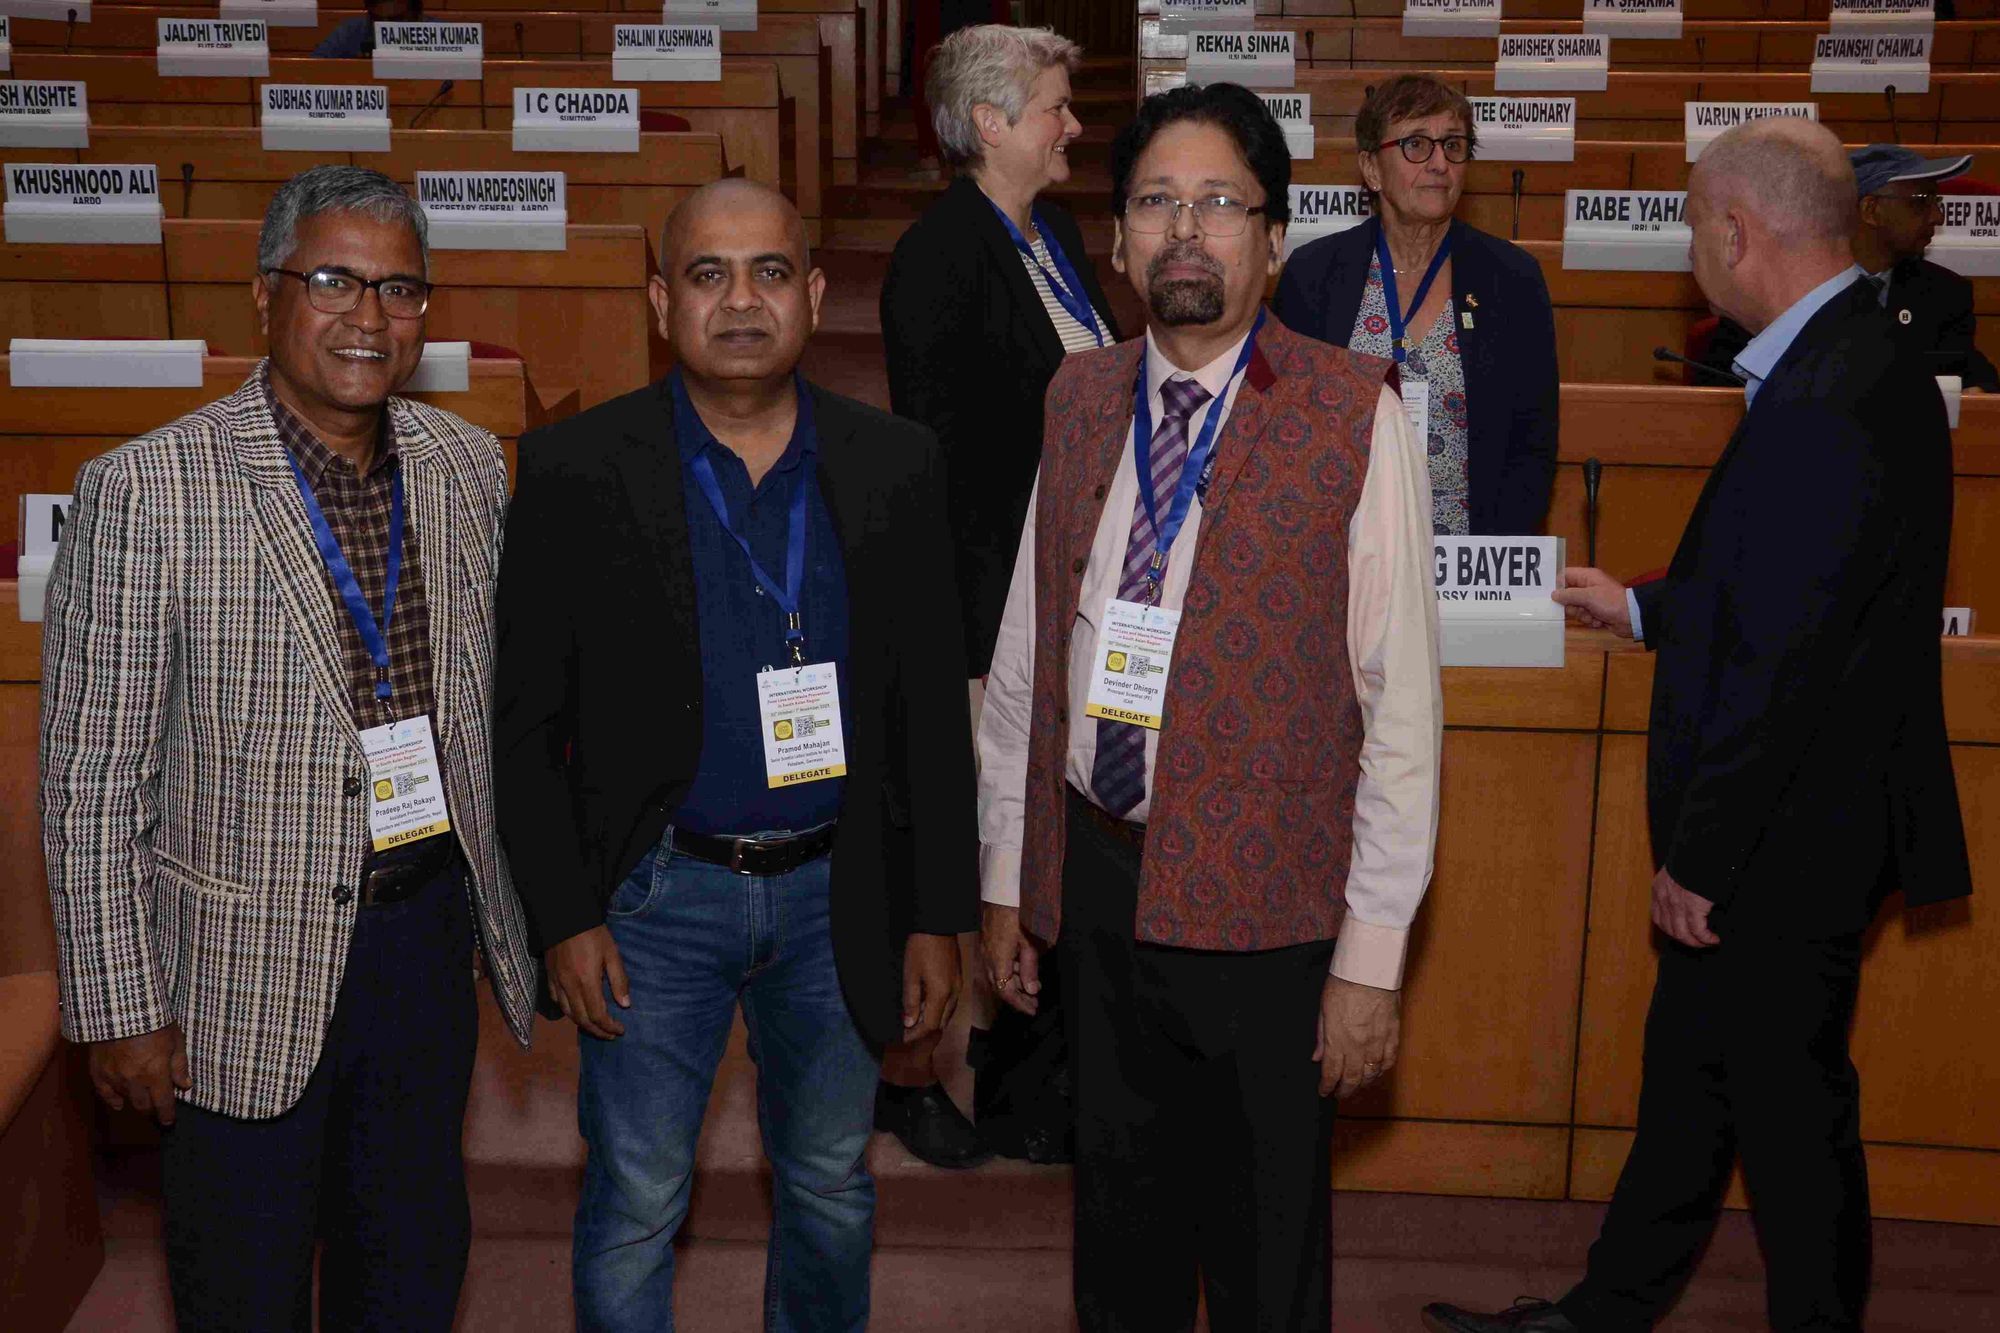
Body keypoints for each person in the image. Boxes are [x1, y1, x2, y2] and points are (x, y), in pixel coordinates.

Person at [1422, 117, 1971, 1333]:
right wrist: (1636, 604)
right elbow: (1781, 579)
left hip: (1784, 841)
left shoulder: (1835, 383)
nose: (1690, 253)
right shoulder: (1844, 355)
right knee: (1694, 1094)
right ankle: (1605, 1309)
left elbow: (1789, 655)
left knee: (1787, 1123)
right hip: (1792, 823)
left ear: (1734, 229)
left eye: (1689, 224)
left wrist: (1701, 860)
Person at [39, 164, 540, 1332]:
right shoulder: (147, 489)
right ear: (265, 295)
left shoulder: (466, 468)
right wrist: (120, 1007)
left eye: (400, 288)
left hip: (423, 939)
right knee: (242, 1288)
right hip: (235, 970)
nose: (369, 317)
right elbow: (90, 782)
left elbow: (491, 709)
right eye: (334, 280)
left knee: (409, 1267)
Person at [978, 82, 1442, 1331]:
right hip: (1107, 891)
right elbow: (1029, 647)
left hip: (1274, 917)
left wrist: (1369, 958)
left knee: (1261, 1262)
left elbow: (1398, 708)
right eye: (1154, 203)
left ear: (1274, 239)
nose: (1184, 229)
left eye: (1219, 203)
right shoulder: (1078, 399)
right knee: (1118, 1250)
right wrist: (1010, 874)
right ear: (1120, 239)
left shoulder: (1357, 413)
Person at [493, 178, 976, 1333]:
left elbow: (924, 714)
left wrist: (935, 911)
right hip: (655, 897)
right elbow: (523, 723)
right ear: (663, 301)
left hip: (837, 893)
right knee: (637, 1197)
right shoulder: (572, 469)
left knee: (828, 1187)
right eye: (707, 275)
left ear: (811, 295)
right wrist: (563, 914)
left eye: (768, 272)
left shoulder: (895, 465)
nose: (741, 301)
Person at [878, 21, 1122, 1169]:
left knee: (1051, 847)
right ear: (988, 123)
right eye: (1054, 108)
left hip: (1078, 586)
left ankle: (1035, 1087)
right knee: (986, 847)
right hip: (993, 599)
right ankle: (910, 1070)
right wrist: (979, 630)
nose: (1073, 125)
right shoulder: (938, 254)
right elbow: (938, 464)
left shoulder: (1055, 232)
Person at [1274, 73, 1559, 536]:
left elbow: (1532, 447)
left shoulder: (1513, 279)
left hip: (1468, 564)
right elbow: (1287, 433)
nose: (1439, 163)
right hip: (1343, 552)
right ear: (1370, 169)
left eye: (1453, 145)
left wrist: (1485, 569)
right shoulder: (1314, 275)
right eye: (1416, 145)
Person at [1699, 144, 1997, 392]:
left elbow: (1973, 377)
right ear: (1870, 210)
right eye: (1921, 202)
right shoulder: (1769, 290)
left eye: (1937, 201)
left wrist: (1978, 391)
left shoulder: (1941, 294)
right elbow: (1718, 388)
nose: (1937, 216)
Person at [313, 0, 428, 59]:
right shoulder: (349, 32)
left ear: (417, 15)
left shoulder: (442, 32)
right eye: (377, 19)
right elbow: (313, 68)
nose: (384, 28)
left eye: (395, 19)